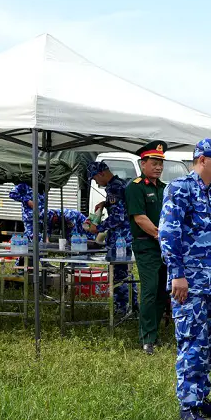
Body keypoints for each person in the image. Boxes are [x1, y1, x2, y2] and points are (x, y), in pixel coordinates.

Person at [159, 138, 211, 420]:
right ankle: (187, 406)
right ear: (202, 160)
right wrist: (177, 274)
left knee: (208, 344)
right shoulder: (180, 190)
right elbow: (168, 234)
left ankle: (202, 398)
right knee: (191, 343)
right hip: (188, 285)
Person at [125, 141, 170, 354]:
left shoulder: (163, 188)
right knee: (150, 290)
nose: (159, 167)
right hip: (147, 245)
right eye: (154, 163)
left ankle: (155, 333)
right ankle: (147, 338)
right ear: (143, 163)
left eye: (161, 163)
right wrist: (161, 236)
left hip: (164, 247)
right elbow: (140, 218)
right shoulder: (135, 187)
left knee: (163, 290)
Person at [88, 160, 132, 316]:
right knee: (127, 273)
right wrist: (105, 203)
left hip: (120, 238)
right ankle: (133, 306)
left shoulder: (114, 188)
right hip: (126, 236)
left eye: (95, 179)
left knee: (119, 274)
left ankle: (121, 308)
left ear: (101, 173)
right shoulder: (120, 184)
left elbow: (118, 217)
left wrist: (98, 228)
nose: (96, 183)